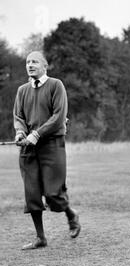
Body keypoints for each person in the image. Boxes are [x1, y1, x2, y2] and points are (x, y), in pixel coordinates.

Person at [13, 51, 81, 250]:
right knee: (32, 193)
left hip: (52, 144)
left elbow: (59, 116)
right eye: (27, 62)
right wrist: (20, 133)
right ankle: (40, 238)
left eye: (35, 62)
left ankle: (71, 214)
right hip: (28, 148)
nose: (30, 65)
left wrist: (37, 134)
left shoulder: (56, 85)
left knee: (53, 193)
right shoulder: (22, 90)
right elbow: (18, 117)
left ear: (45, 65)